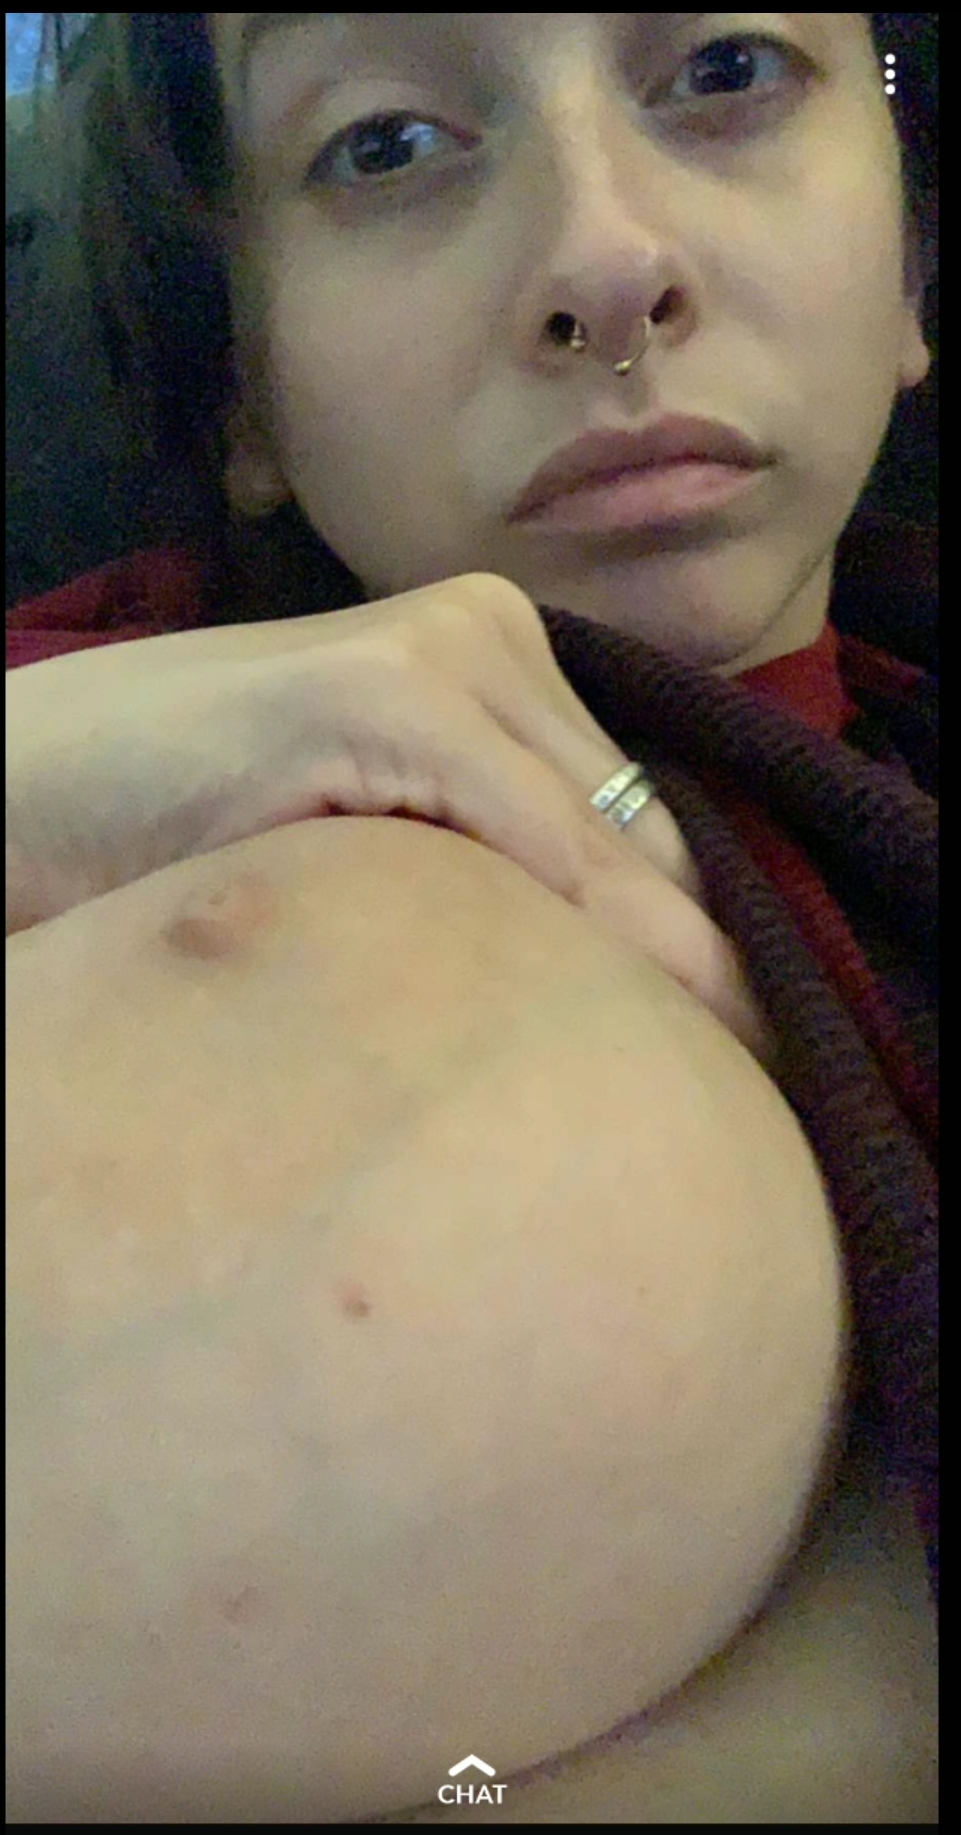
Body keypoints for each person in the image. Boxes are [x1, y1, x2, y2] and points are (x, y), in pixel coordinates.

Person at [6, 14, 937, 1823]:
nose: (606, 261)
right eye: (385, 146)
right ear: (246, 400)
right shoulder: (89, 682)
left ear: (909, 270)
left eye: (724, 71)